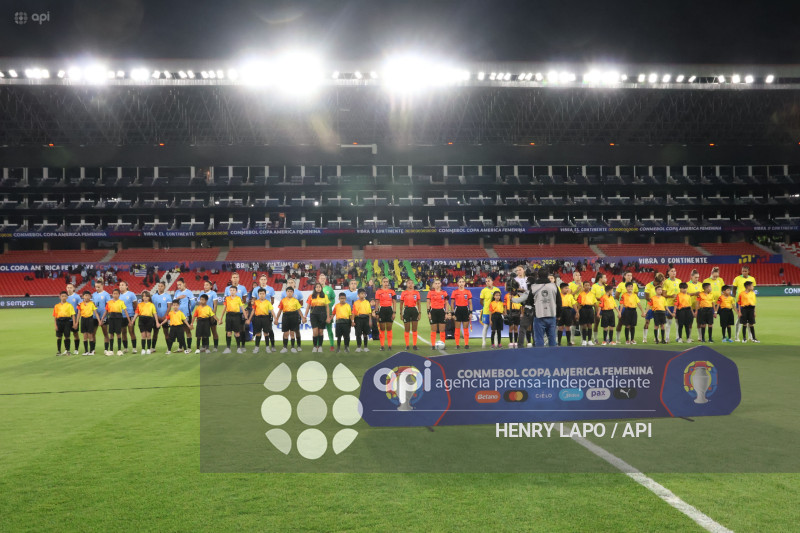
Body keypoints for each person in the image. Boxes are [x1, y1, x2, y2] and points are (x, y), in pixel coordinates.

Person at [527, 268, 561, 347]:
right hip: (552, 314)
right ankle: (552, 354)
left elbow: (529, 302)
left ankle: (540, 354)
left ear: (538, 275)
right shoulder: (554, 286)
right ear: (547, 275)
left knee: (539, 339)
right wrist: (558, 315)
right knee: (552, 339)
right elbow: (559, 302)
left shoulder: (534, 287)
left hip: (539, 315)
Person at [304, 282, 332, 353]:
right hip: (313, 315)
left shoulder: (325, 296)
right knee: (315, 332)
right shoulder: (311, 296)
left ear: (321, 288)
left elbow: (327, 307)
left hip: (322, 315)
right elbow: (308, 307)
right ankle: (314, 346)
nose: (318, 288)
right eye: (317, 287)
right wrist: (305, 316)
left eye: (319, 287)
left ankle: (320, 346)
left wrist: (328, 317)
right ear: (315, 288)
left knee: (321, 332)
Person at [102, 288, 130, 356]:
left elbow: (125, 311)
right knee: (111, 334)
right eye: (114, 294)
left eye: (116, 294)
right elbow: (106, 311)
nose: (115, 295)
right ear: (112, 294)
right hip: (111, 318)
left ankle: (119, 350)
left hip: (118, 318)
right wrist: (102, 318)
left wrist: (129, 320)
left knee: (118, 334)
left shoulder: (121, 302)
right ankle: (111, 350)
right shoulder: (109, 302)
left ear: (119, 294)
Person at [732, 266, 756, 342]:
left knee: (750, 319)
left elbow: (752, 290)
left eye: (745, 271)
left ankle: (750, 336)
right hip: (740, 302)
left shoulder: (752, 279)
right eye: (743, 271)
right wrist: (736, 297)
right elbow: (734, 288)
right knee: (739, 318)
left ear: (748, 271)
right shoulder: (737, 278)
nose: (744, 272)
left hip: (749, 302)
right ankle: (736, 336)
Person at [275, 287, 303, 353]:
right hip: (286, 316)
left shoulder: (295, 300)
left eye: (291, 291)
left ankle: (293, 347)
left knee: (292, 333)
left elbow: (299, 310)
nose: (289, 293)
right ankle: (285, 347)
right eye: (288, 291)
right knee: (286, 333)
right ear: (286, 292)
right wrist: (276, 318)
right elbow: (280, 310)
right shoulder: (283, 300)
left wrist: (303, 317)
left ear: (293, 293)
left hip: (294, 316)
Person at [221, 285, 246, 353]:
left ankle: (238, 348)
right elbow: (224, 308)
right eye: (231, 290)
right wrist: (221, 318)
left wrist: (246, 316)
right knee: (228, 332)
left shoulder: (238, 298)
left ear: (236, 291)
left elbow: (242, 308)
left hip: (236, 316)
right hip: (229, 316)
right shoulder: (227, 298)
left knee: (237, 332)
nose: (232, 291)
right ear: (229, 291)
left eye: (233, 290)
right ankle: (228, 348)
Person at [172, 278, 195, 351]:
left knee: (187, 331)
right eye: (177, 285)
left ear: (184, 284)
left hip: (186, 314)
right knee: (179, 332)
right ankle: (180, 347)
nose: (178, 286)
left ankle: (189, 347)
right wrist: (178, 297)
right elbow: (174, 302)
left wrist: (190, 311)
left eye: (180, 284)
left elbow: (193, 303)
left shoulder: (189, 292)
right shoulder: (177, 292)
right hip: (178, 315)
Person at [374, 278, 397, 351]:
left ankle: (390, 346)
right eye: (384, 282)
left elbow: (394, 302)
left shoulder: (392, 292)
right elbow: (377, 303)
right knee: (382, 329)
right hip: (382, 310)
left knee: (389, 328)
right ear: (381, 283)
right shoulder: (378, 292)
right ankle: (382, 346)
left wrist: (394, 312)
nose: (386, 283)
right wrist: (377, 312)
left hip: (389, 310)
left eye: (387, 282)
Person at [642, 272, 665, 343]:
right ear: (655, 280)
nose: (660, 284)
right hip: (650, 308)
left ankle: (656, 338)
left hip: (657, 309)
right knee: (647, 322)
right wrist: (654, 302)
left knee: (657, 323)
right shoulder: (648, 286)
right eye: (659, 282)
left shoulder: (660, 286)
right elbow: (647, 297)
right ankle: (644, 338)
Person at [53, 291, 78, 356]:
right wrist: (55, 325)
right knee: (59, 337)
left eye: (65, 296)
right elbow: (55, 316)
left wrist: (74, 323)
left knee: (67, 336)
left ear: (67, 297)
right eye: (62, 296)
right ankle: (59, 351)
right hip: (59, 321)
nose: (64, 297)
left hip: (67, 321)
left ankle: (67, 350)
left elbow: (73, 315)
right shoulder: (56, 306)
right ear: (60, 297)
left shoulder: (69, 305)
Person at [614, 272, 637, 343]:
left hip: (631, 307)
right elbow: (616, 295)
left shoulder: (634, 285)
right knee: (620, 322)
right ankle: (618, 338)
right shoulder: (621, 285)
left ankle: (631, 339)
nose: (630, 277)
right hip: (623, 307)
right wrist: (623, 302)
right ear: (624, 276)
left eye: (631, 275)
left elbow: (635, 295)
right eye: (628, 275)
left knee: (631, 323)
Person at [451, 277, 473, 349]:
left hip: (465, 310)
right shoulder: (455, 292)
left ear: (464, 283)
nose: (461, 283)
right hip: (458, 310)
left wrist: (470, 312)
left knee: (465, 328)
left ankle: (466, 344)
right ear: (457, 283)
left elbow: (470, 303)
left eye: (462, 282)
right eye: (460, 282)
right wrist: (453, 313)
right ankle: (457, 345)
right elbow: (452, 303)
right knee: (457, 328)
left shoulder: (468, 292)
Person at [229, 272, 249, 349]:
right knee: (233, 330)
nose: (235, 279)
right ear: (231, 279)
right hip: (231, 313)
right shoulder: (227, 289)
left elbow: (244, 300)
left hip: (240, 312)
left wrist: (238, 304)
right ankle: (237, 345)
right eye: (234, 277)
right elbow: (226, 300)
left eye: (236, 277)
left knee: (242, 329)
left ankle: (243, 346)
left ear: (239, 278)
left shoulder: (242, 288)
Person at [399, 280, 421, 350]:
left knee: (414, 329)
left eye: (412, 283)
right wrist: (401, 313)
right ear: (406, 284)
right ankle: (407, 345)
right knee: (407, 329)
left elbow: (419, 303)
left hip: (414, 310)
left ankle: (414, 345)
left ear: (413, 284)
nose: (410, 284)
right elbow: (401, 304)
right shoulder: (404, 293)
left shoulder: (416, 293)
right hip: (406, 310)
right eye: (409, 283)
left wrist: (419, 313)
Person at [318, 273, 338, 352]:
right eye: (321, 278)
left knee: (329, 329)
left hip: (328, 312)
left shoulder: (329, 289)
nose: (322, 279)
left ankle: (332, 345)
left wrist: (329, 305)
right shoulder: (316, 289)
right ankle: (318, 345)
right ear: (318, 279)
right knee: (319, 330)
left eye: (324, 278)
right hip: (319, 313)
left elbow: (333, 299)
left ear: (325, 280)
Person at [92, 280, 112, 355]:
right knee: (93, 333)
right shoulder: (94, 295)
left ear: (102, 286)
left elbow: (108, 306)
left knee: (105, 333)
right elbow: (93, 306)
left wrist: (104, 317)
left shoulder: (106, 294)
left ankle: (106, 349)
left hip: (104, 316)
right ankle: (93, 349)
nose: (97, 288)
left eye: (98, 287)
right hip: (95, 316)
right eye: (96, 287)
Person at [427, 278, 449, 349]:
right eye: (435, 283)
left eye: (438, 283)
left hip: (441, 311)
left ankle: (443, 345)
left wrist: (446, 313)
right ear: (433, 285)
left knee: (442, 330)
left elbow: (447, 303)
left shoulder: (444, 293)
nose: (437, 285)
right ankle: (433, 345)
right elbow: (428, 303)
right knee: (433, 329)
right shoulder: (430, 293)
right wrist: (428, 312)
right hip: (433, 311)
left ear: (441, 284)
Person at [198, 280, 220, 352]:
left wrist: (213, 315)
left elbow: (215, 305)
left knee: (214, 331)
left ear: (211, 286)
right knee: (204, 333)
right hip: (203, 316)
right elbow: (200, 305)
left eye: (207, 285)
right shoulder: (201, 293)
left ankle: (215, 347)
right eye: (204, 285)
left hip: (211, 315)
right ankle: (204, 347)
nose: (205, 286)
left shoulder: (213, 293)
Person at [479, 277, 501, 346]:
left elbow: (499, 300)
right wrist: (486, 306)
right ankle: (484, 342)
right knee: (485, 326)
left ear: (492, 281)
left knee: (495, 328)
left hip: (495, 312)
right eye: (486, 281)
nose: (487, 282)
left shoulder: (497, 289)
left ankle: (496, 342)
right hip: (486, 311)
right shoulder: (483, 290)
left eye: (488, 281)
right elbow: (481, 301)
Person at [118, 281, 139, 353]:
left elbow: (136, 305)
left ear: (126, 286)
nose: (121, 286)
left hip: (130, 315)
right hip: (121, 316)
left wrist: (135, 315)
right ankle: (125, 348)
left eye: (122, 285)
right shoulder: (118, 295)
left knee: (131, 331)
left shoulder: (131, 294)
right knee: (123, 332)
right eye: (120, 285)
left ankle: (134, 348)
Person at [151, 281, 172, 353]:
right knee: (155, 332)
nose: (160, 287)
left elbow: (169, 307)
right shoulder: (154, 296)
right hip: (156, 318)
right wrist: (157, 316)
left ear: (164, 287)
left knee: (166, 333)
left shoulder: (167, 296)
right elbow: (152, 308)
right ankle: (153, 348)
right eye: (159, 286)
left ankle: (169, 348)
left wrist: (165, 316)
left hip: (165, 318)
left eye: (161, 286)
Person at [77, 291, 101, 355]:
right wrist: (76, 322)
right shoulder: (80, 304)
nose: (87, 297)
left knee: (90, 335)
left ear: (90, 296)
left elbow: (96, 313)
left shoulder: (92, 304)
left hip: (90, 319)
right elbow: (79, 314)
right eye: (85, 295)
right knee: (85, 336)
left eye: (88, 295)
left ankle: (92, 350)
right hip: (83, 320)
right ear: (83, 296)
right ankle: (86, 351)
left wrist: (99, 321)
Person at [576, 281, 598, 346]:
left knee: (590, 325)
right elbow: (579, 304)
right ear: (583, 286)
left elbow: (595, 304)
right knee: (584, 325)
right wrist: (577, 312)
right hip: (583, 309)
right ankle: (584, 340)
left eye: (588, 285)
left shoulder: (592, 294)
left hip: (590, 309)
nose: (587, 286)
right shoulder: (581, 294)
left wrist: (597, 312)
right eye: (586, 285)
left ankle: (590, 340)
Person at [663, 267, 681, 342]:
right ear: (668, 273)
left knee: (678, 321)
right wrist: (671, 296)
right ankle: (667, 337)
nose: (674, 272)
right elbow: (664, 294)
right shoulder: (666, 282)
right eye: (672, 271)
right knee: (669, 321)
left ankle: (678, 337)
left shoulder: (679, 281)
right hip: (670, 304)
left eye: (675, 271)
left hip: (678, 305)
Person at [686, 270, 703, 342]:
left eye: (698, 277)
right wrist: (694, 294)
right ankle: (689, 337)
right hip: (690, 306)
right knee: (690, 323)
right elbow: (685, 294)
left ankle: (700, 337)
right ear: (691, 277)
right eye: (695, 277)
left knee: (699, 322)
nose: (697, 279)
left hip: (699, 306)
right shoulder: (687, 284)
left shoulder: (701, 284)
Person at [590, 273, 607, 344]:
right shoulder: (594, 286)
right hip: (597, 307)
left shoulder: (606, 286)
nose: (606, 279)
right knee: (596, 322)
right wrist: (600, 299)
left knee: (606, 323)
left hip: (606, 307)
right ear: (600, 279)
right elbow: (592, 297)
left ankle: (606, 339)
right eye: (604, 277)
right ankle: (595, 339)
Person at [65, 283, 81, 355]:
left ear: (73, 288)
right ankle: (67, 349)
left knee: (75, 334)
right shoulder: (65, 297)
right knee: (66, 335)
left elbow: (80, 309)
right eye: (68, 287)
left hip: (74, 319)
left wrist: (77, 321)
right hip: (66, 319)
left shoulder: (77, 297)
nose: (69, 289)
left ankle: (76, 349)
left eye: (70, 287)